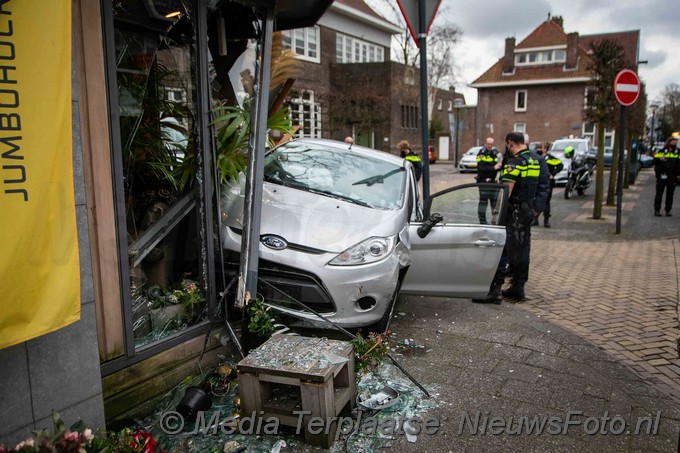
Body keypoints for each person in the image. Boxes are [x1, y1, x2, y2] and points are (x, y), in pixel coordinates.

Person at [473, 132, 542, 304]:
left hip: (512, 211)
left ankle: (494, 290)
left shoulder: (514, 162)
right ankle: (518, 287)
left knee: (501, 248)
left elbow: (507, 192)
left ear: (510, 143)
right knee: (523, 250)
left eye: (507, 145)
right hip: (526, 211)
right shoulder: (534, 161)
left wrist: (496, 214)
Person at [534, 142, 563, 227]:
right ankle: (535, 220)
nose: (539, 149)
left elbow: (560, 165)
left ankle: (546, 220)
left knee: (546, 201)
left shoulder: (550, 158)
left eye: (541, 148)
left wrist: (552, 174)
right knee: (536, 199)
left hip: (547, 182)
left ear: (545, 149)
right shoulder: (536, 158)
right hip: (537, 181)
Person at [475, 137, 502, 224]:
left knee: (494, 203)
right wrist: (493, 167)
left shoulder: (495, 153)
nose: (490, 146)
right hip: (483, 182)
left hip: (493, 182)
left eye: (492, 144)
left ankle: (495, 220)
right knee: (483, 202)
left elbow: (499, 163)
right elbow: (481, 168)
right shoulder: (481, 153)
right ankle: (482, 222)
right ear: (485, 143)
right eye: (489, 144)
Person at [652, 136, 680, 216]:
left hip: (672, 175)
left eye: (675, 143)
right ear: (668, 143)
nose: (674, 144)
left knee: (670, 194)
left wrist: (678, 174)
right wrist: (659, 159)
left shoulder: (677, 152)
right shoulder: (661, 151)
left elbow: (679, 164)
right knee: (659, 193)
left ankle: (668, 210)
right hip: (662, 174)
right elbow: (654, 161)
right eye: (673, 142)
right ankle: (657, 210)